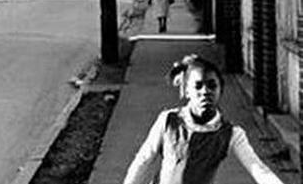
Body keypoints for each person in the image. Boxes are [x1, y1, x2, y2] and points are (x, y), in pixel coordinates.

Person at [122, 54, 285, 184]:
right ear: (186, 91)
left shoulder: (231, 134)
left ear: (221, 90)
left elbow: (258, 169)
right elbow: (143, 161)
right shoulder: (168, 122)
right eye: (198, 86)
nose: (205, 92)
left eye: (212, 85)